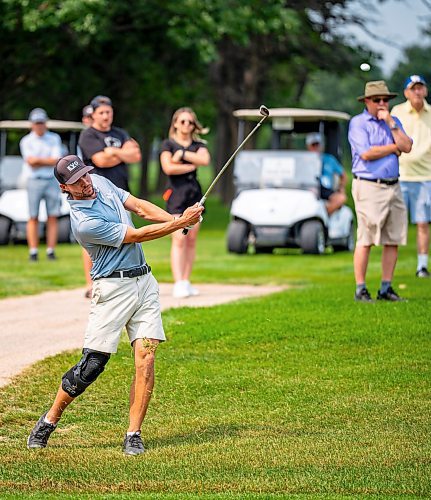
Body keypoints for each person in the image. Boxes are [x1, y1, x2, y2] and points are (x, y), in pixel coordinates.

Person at [27, 155, 204, 456]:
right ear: (64, 188)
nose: (86, 183)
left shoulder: (99, 182)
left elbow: (137, 206)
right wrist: (178, 224)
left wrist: (176, 221)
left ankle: (133, 433)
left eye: (85, 175)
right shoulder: (83, 223)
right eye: (77, 182)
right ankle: (49, 419)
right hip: (112, 289)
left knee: (146, 356)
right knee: (92, 366)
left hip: (144, 282)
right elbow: (134, 235)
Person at [348, 80, 412, 302]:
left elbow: (407, 146)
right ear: (367, 101)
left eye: (385, 99)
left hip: (393, 185)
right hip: (368, 185)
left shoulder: (393, 122)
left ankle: (386, 288)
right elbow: (366, 153)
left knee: (392, 238)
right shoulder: (358, 123)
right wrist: (394, 148)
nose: (382, 103)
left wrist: (391, 124)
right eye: (377, 100)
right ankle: (361, 288)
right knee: (366, 238)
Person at [79, 95, 142, 298]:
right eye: (102, 113)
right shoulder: (88, 136)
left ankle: (124, 279)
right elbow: (100, 161)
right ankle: (92, 283)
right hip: (96, 193)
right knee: (94, 239)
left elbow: (136, 155)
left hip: (121, 190)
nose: (106, 116)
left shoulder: (120, 133)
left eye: (109, 112)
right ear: (94, 114)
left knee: (127, 233)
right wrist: (120, 153)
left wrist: (112, 151)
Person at [160, 107, 211, 298]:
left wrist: (181, 156)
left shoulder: (198, 144)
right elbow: (168, 168)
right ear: (175, 123)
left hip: (193, 193)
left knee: (191, 240)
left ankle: (187, 280)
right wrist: (191, 163)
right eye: (183, 121)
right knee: (179, 238)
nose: (186, 125)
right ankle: (178, 282)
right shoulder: (168, 144)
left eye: (190, 122)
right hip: (176, 195)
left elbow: (205, 159)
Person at [391, 75, 431, 278]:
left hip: (425, 176)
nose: (417, 92)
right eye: (413, 88)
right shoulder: (397, 112)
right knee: (397, 223)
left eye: (420, 88)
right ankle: (391, 267)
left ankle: (422, 266)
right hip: (400, 175)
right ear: (407, 92)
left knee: (423, 223)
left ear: (425, 90)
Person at [19, 108, 63, 261]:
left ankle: (51, 250)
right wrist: (46, 161)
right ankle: (33, 251)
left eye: (42, 123)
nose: (40, 126)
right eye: (37, 123)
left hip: (51, 180)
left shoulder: (54, 138)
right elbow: (31, 162)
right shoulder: (26, 141)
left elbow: (56, 160)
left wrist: (39, 161)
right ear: (32, 124)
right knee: (33, 216)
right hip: (34, 180)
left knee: (52, 216)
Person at [305, 132, 347, 215]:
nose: (316, 147)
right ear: (308, 146)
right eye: (313, 145)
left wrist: (341, 188)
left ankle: (324, 217)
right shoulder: (304, 160)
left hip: (325, 189)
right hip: (309, 188)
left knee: (341, 198)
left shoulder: (329, 159)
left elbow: (343, 175)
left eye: (318, 145)